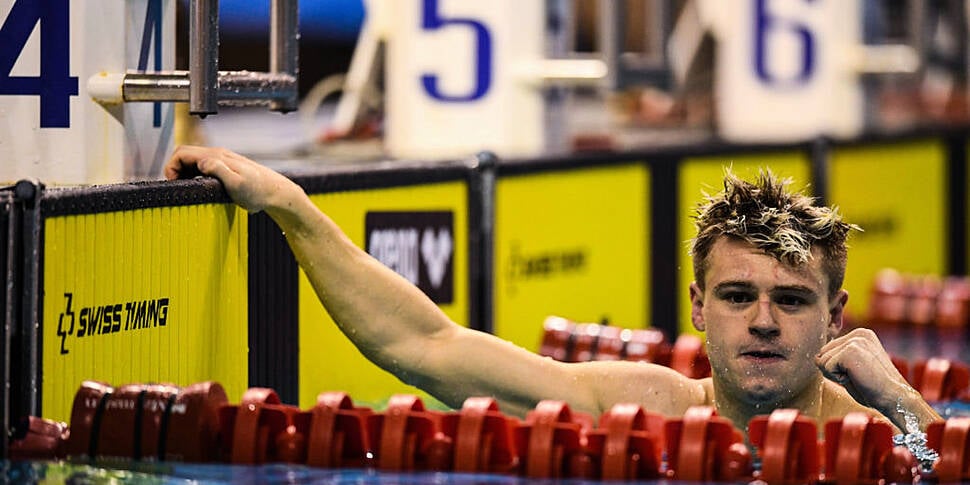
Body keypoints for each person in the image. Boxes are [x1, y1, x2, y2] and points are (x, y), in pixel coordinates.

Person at [164, 145, 940, 436]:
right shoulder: (641, 407)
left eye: (793, 300)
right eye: (738, 295)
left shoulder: (877, 433)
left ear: (836, 317)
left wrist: (907, 405)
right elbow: (426, 347)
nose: (764, 321)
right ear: (698, 307)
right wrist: (294, 211)